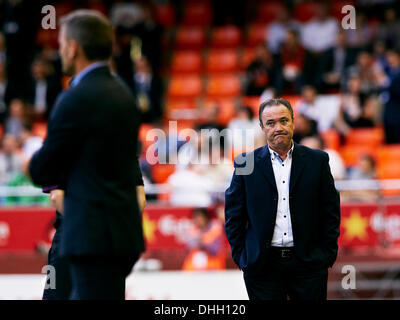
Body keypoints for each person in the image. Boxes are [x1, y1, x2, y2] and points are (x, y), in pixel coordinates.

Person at [28, 10, 145, 300]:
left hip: (88, 240)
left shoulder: (75, 98)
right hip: (121, 238)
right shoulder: (124, 96)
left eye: (61, 44)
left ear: (73, 47)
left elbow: (43, 171)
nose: (59, 52)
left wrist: (28, 161)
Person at [224, 98, 340, 300]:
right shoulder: (245, 163)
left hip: (309, 264)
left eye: (283, 120)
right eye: (270, 123)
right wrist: (243, 257)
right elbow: (233, 215)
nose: (278, 127)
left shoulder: (318, 161)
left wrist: (325, 255)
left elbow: (330, 211)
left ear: (293, 122)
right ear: (261, 127)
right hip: (262, 265)